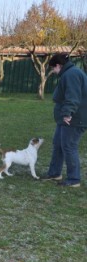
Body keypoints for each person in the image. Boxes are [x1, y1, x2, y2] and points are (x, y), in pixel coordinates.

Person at [41, 53, 87, 187]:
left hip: (74, 119)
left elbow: (73, 96)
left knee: (69, 146)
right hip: (67, 118)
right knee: (58, 144)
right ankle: (55, 173)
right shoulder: (70, 73)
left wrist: (67, 113)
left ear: (58, 65)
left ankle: (74, 179)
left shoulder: (71, 74)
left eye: (52, 68)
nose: (53, 71)